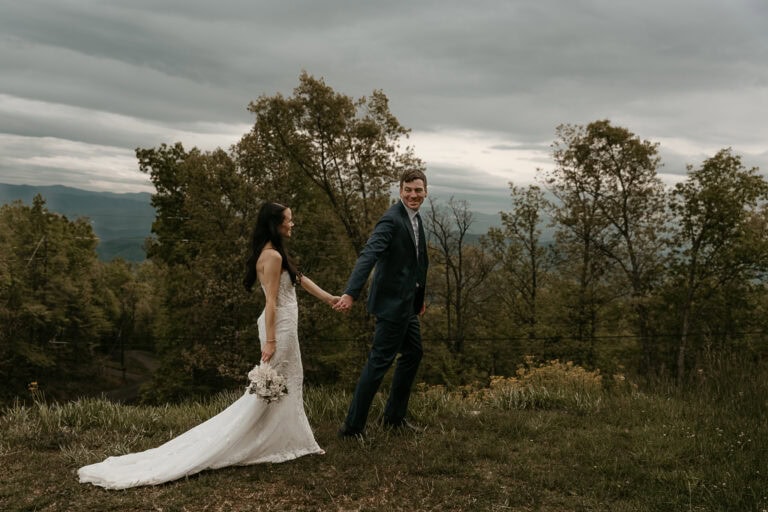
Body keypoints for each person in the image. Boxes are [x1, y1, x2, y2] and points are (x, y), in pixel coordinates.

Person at [78, 202, 337, 489]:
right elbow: (272, 301)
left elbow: (300, 280)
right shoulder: (273, 256)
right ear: (275, 224)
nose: (293, 223)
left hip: (284, 324)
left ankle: (289, 439)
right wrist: (272, 340)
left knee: (287, 383)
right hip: (281, 327)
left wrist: (330, 299)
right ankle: (255, 440)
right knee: (269, 389)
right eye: (289, 219)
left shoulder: (276, 253)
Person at [333, 169, 429, 438]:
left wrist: (419, 299)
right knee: (378, 364)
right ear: (400, 191)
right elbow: (369, 255)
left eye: (418, 190)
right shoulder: (391, 220)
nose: (413, 194)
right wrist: (351, 293)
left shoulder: (416, 218)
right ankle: (352, 428)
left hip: (408, 305)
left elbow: (418, 262)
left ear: (425, 192)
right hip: (391, 306)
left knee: (413, 353)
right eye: (408, 189)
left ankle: (394, 418)